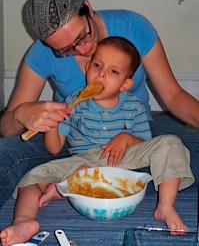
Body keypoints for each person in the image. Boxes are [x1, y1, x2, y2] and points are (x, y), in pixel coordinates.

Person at [0, 0, 198, 209]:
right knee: (6, 157)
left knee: (178, 150)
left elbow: (173, 96)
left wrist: (131, 141)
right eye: (65, 50)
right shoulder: (41, 53)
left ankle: (81, 180)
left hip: (133, 135)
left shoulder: (133, 27)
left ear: (87, 7)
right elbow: (7, 130)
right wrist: (21, 114)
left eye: (83, 36)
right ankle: (83, 178)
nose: (83, 51)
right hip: (74, 140)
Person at [0, 37, 194, 246]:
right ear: (87, 68)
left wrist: (126, 138)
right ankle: (24, 221)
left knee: (171, 143)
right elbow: (54, 148)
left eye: (113, 71)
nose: (101, 73)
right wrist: (52, 124)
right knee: (32, 177)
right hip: (83, 161)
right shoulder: (73, 104)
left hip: (122, 161)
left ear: (125, 84)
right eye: (97, 65)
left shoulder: (135, 107)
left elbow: (147, 145)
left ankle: (165, 206)